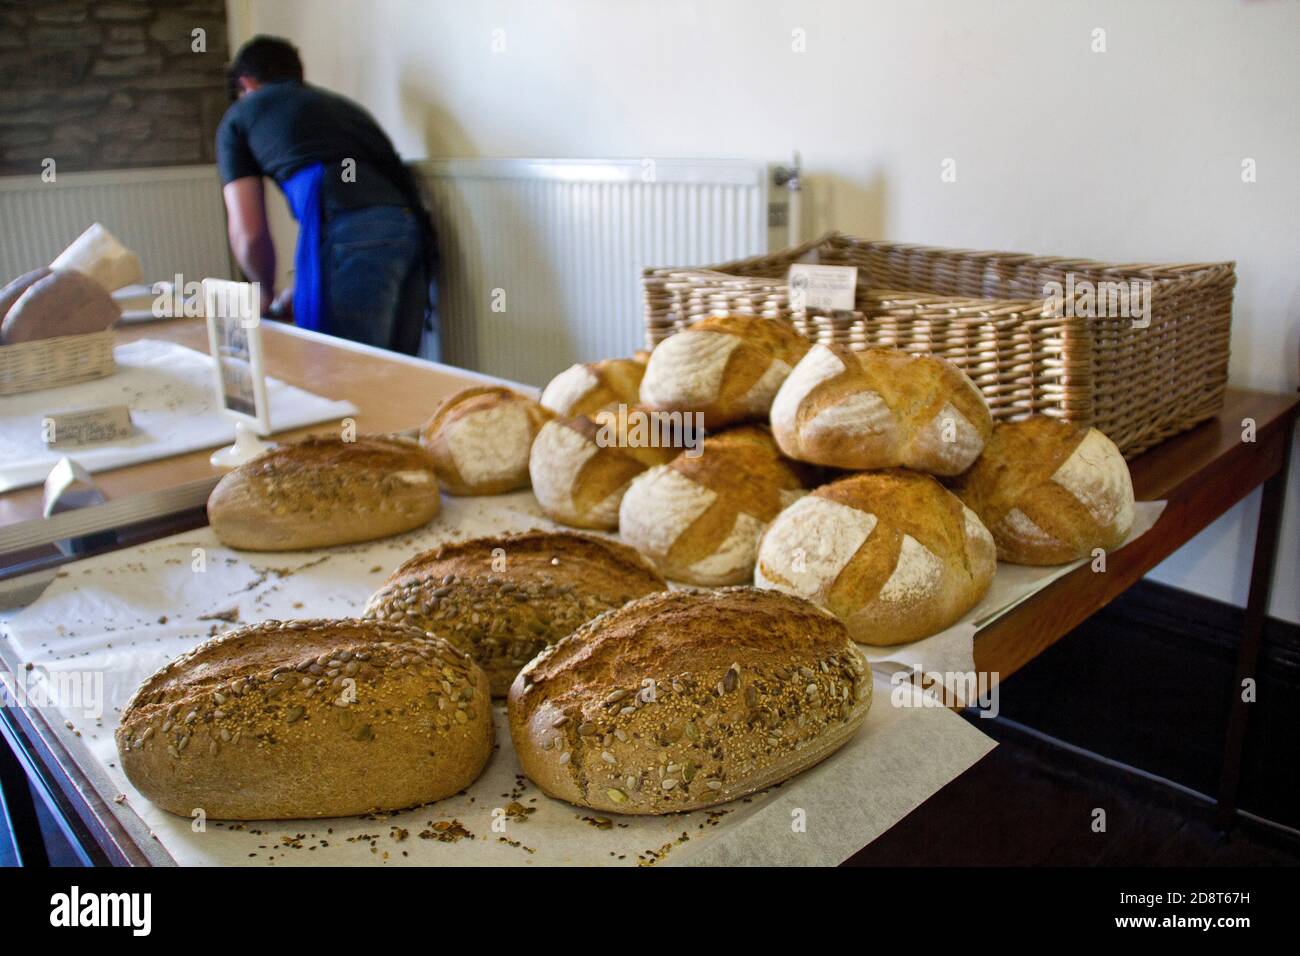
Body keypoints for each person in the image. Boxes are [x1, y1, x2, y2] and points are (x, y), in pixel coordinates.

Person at [216, 35, 438, 356]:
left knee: (343, 369)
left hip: (349, 224)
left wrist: (264, 291)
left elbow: (247, 233)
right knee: (397, 369)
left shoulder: (239, 117)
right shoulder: (340, 107)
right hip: (408, 228)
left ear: (245, 83)